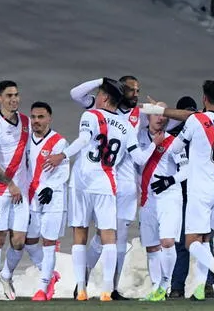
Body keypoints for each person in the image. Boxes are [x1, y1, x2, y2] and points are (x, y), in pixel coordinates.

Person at [59, 78, 162, 301]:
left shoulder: (138, 112)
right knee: (106, 237)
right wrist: (157, 141)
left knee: (113, 236)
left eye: (138, 90)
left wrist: (160, 110)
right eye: (131, 90)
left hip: (118, 183)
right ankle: (87, 282)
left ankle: (109, 287)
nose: (135, 94)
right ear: (119, 92)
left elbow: (166, 116)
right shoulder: (107, 116)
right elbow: (75, 93)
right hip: (110, 179)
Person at [142, 80, 214, 301]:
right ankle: (199, 288)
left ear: (204, 98)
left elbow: (176, 148)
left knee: (190, 242)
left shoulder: (197, 120)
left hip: (201, 189)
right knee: (206, 239)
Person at [44, 75, 142, 300]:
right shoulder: (127, 126)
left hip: (81, 182)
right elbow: (139, 158)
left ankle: (82, 289)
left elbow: (83, 139)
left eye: (99, 93)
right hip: (108, 183)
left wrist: (63, 155)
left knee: (80, 234)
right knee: (109, 236)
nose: (96, 96)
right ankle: (107, 290)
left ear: (105, 97)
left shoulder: (91, 115)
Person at [0, 80, 30, 301]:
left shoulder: (26, 122)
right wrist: (10, 184)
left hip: (22, 191)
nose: (14, 99)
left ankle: (6, 274)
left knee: (19, 240)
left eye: (16, 95)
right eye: (9, 95)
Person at [136, 102, 188, 301]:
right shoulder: (138, 137)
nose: (160, 118)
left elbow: (187, 168)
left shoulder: (174, 141)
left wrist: (170, 180)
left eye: (163, 115)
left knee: (167, 242)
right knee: (151, 246)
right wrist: (148, 105)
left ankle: (165, 285)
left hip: (169, 197)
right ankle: (156, 287)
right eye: (155, 114)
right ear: (147, 117)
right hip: (147, 198)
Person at [168, 96, 214, 299]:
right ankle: (207, 284)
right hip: (201, 193)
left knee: (184, 243)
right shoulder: (206, 132)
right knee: (204, 240)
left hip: (186, 194)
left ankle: (179, 287)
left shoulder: (173, 135)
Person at [23, 102, 70, 302]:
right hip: (32, 197)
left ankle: (42, 288)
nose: (36, 121)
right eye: (33, 117)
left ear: (49, 118)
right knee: (28, 241)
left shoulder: (59, 142)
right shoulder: (25, 141)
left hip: (54, 198)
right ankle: (49, 273)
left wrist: (51, 187)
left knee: (49, 243)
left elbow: (64, 170)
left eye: (41, 117)